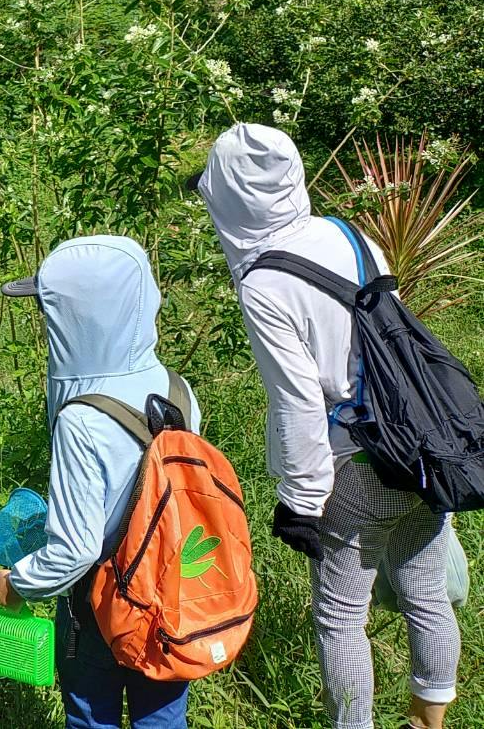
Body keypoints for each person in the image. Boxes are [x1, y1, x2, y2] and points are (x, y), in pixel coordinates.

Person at [191, 123, 459, 729]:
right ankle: (428, 722)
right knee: (425, 593)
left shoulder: (264, 283)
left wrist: (301, 502)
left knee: (341, 618)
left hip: (352, 464)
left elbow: (298, 400)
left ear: (229, 198)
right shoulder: (350, 234)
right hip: (417, 446)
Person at [0, 234, 199, 729]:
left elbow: (76, 550)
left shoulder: (81, 419)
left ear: (78, 317)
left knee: (91, 717)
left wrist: (15, 584)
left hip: (99, 605)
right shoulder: (176, 388)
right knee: (163, 716)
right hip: (170, 591)